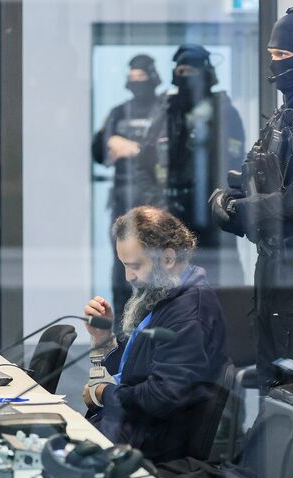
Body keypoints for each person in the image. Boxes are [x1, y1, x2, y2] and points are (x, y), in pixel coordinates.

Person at [209, 4, 293, 389]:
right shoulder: (286, 114)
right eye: (272, 54)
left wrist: (243, 211)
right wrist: (227, 202)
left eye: (282, 54)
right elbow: (253, 177)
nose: (275, 63)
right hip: (272, 279)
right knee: (272, 396)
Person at [82, 206, 228, 462]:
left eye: (135, 266)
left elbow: (162, 396)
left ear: (168, 258)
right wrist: (104, 339)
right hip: (128, 433)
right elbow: (135, 373)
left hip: (145, 451)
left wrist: (103, 393)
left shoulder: (188, 313)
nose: (128, 276)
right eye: (124, 265)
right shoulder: (168, 295)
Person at [136, 44, 246, 289]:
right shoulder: (164, 110)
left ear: (206, 74)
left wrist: (218, 203)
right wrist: (154, 200)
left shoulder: (223, 111)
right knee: (166, 287)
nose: (186, 77)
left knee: (214, 286)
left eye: (192, 71)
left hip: (209, 216)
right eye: (181, 71)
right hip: (167, 213)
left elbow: (232, 165)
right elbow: (143, 163)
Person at [92, 54, 165, 329]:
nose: (136, 84)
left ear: (153, 79)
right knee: (122, 269)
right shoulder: (119, 112)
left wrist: (135, 149)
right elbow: (99, 152)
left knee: (156, 267)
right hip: (122, 202)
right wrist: (111, 143)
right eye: (132, 78)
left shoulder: (164, 110)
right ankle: (123, 333)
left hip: (157, 204)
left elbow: (171, 154)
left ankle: (155, 329)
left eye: (141, 78)